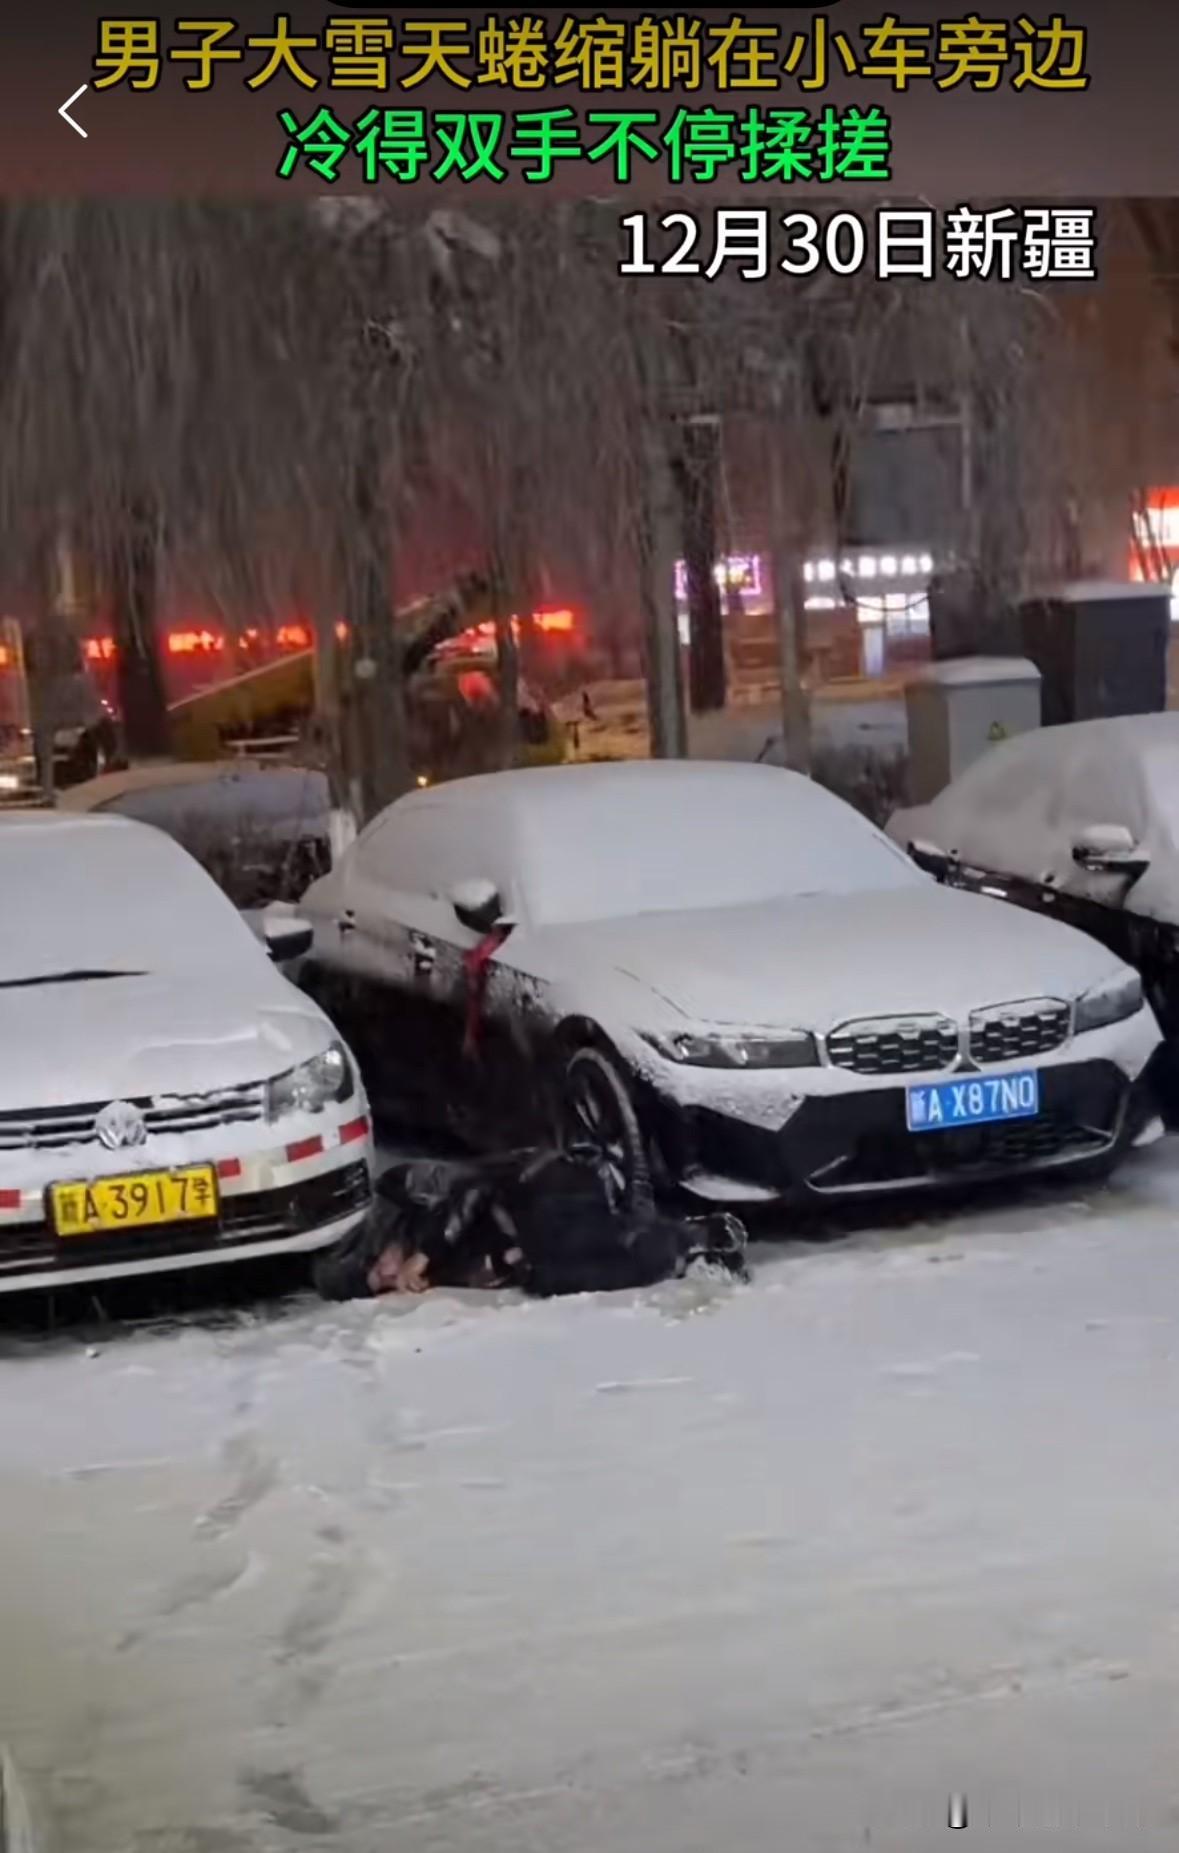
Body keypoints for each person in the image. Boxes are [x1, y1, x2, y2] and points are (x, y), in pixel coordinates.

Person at [314, 1147, 749, 1301]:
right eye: (383, 1285)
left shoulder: (410, 1191)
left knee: (560, 1242)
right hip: (536, 1229)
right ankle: (682, 1250)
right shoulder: (441, 1272)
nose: (392, 1275)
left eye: (379, 1269)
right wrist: (504, 1262)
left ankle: (687, 1240)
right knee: (551, 1276)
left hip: (536, 1182)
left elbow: (474, 1189)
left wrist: (426, 1253)